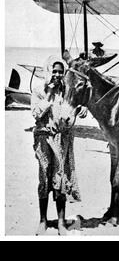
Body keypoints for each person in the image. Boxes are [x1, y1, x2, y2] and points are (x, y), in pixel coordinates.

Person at [31, 56, 87, 236]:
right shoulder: (39, 90)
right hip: (43, 139)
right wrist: (48, 94)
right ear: (48, 71)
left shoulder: (66, 91)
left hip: (62, 141)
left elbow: (72, 110)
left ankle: (61, 223)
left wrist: (81, 108)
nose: (57, 75)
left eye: (60, 72)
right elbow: (36, 114)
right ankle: (43, 220)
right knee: (44, 180)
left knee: (60, 179)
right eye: (54, 71)